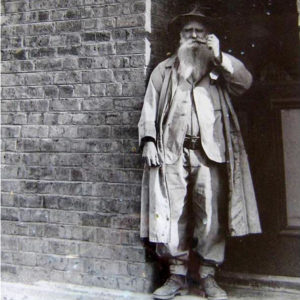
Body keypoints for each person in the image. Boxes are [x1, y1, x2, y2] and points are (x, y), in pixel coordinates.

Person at [138, 8, 261, 300]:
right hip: (172, 152)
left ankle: (207, 276)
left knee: (212, 216)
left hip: (211, 153)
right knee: (174, 213)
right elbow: (150, 108)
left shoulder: (219, 70)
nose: (194, 36)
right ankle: (177, 275)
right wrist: (149, 140)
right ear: (179, 37)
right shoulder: (164, 70)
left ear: (209, 37)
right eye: (188, 32)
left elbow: (245, 83)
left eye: (200, 32)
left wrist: (221, 57)